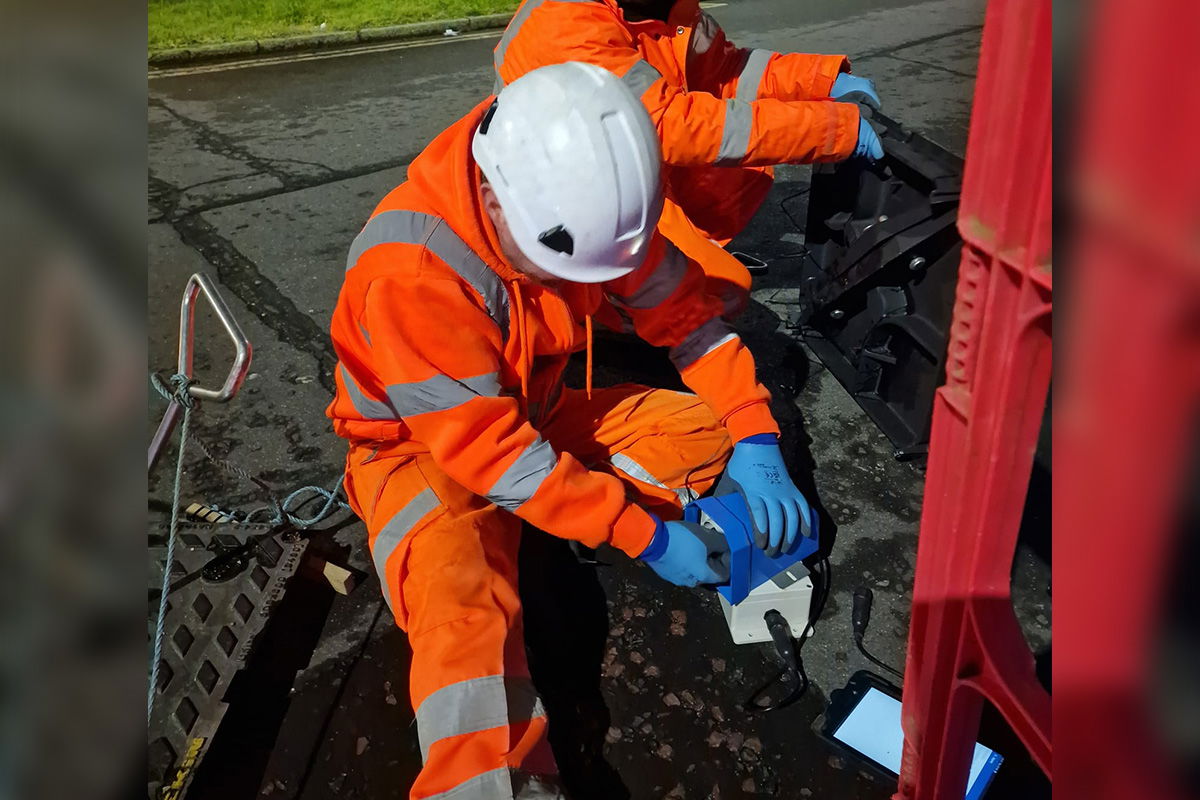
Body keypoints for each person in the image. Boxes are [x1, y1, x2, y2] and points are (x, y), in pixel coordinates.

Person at [327, 62, 814, 799]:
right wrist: (645, 536)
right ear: (494, 197)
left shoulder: (584, 194)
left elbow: (686, 320)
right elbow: (496, 459)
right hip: (421, 451)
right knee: (467, 618)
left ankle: (586, 514)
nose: (579, 286)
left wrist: (755, 435)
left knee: (705, 432)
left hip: (537, 409)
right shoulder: (411, 276)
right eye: (563, 269)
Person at [490, 0, 884, 312]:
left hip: (616, 173)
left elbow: (727, 72)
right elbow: (669, 125)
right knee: (715, 293)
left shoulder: (669, 11)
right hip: (563, 201)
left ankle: (636, 285)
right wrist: (833, 130)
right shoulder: (566, 22)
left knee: (732, 184)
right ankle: (595, 308)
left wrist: (821, 80)